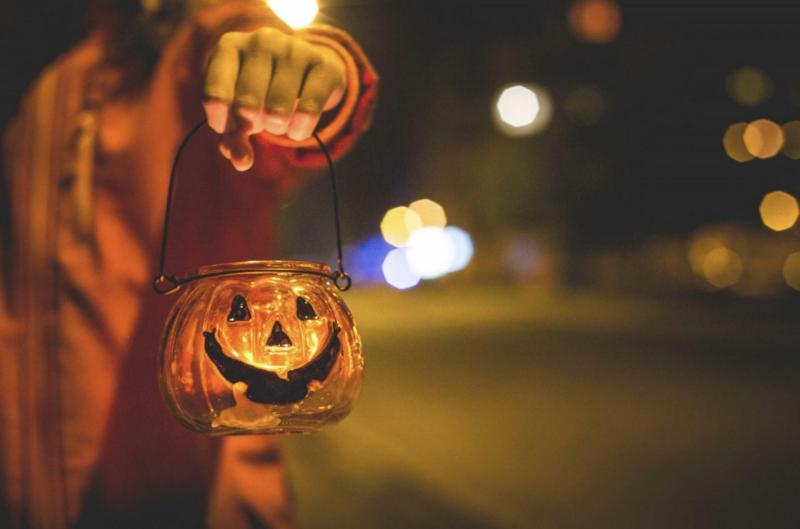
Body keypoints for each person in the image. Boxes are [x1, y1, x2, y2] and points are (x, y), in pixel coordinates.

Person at [0, 1, 378, 528]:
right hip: (32, 493)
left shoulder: (203, 49)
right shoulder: (49, 86)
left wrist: (303, 71)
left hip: (200, 497)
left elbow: (258, 56)